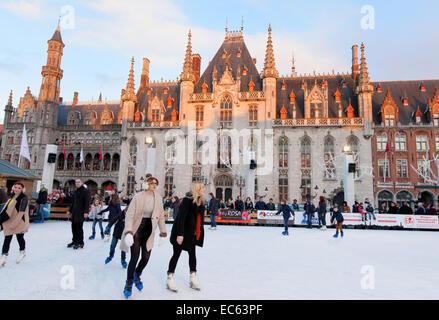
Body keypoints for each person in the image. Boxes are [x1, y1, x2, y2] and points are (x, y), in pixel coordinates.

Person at [119, 176, 167, 299]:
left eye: (156, 183)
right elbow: (129, 215)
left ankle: (137, 274)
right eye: (152, 183)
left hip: (149, 230)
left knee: (146, 257)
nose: (154, 185)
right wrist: (129, 232)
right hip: (136, 228)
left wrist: (163, 232)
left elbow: (161, 216)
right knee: (134, 257)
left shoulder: (158, 198)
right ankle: (128, 283)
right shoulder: (138, 197)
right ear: (147, 184)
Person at [167, 183, 205, 292]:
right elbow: (181, 218)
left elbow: (199, 219)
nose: (204, 190)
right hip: (182, 232)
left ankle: (193, 277)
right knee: (176, 254)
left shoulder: (201, 201)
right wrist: (180, 234)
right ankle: (170, 277)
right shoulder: (187, 200)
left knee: (192, 255)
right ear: (197, 189)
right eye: (202, 188)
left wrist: (198, 233)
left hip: (192, 233)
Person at [0, 182, 29, 267]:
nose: (17, 189)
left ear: (22, 189)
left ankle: (22, 252)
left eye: (19, 188)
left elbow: (21, 212)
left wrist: (14, 224)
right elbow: (6, 208)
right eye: (15, 187)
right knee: (7, 238)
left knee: (20, 237)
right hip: (10, 219)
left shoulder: (24, 198)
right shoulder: (11, 196)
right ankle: (3, 257)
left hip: (20, 221)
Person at [66, 179, 91, 250]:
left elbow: (87, 202)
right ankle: (74, 241)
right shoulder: (75, 191)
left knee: (79, 227)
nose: (77, 183)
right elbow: (73, 202)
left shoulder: (85, 191)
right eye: (76, 182)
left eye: (78, 182)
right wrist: (70, 210)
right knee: (73, 227)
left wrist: (86, 212)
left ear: (82, 183)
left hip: (81, 212)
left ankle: (80, 242)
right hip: (74, 212)